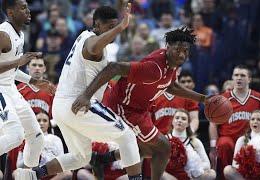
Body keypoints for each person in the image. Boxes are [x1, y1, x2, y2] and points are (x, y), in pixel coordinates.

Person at [18, 4, 142, 180]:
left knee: (80, 157)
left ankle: (32, 175)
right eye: (110, 27)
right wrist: (121, 26)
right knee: (127, 136)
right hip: (78, 104)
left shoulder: (83, 35)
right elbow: (93, 48)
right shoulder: (92, 41)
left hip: (61, 108)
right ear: (97, 25)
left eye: (116, 26)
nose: (114, 31)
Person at [73, 26, 209, 180]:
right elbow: (114, 67)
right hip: (123, 107)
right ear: (168, 47)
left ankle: (102, 159)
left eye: (185, 50)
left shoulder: (170, 64)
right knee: (164, 147)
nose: (182, 54)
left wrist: (203, 99)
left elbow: (170, 86)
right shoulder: (154, 67)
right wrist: (86, 95)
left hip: (139, 109)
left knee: (149, 150)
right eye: (178, 49)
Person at [0, 0, 55, 172]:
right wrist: (18, 61)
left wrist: (35, 82)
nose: (28, 10)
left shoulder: (21, 34)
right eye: (23, 8)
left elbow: (12, 69)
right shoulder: (3, 34)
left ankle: (29, 175)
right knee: (15, 135)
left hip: (10, 88)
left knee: (37, 136)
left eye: (27, 6)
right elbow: (14, 63)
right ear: (10, 13)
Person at [208, 65, 260, 179]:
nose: (239, 78)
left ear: (249, 79)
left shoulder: (259, 98)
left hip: (252, 140)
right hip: (229, 140)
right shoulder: (222, 100)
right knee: (224, 144)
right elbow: (213, 124)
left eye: (242, 75)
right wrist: (213, 147)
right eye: (236, 75)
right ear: (232, 78)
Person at [16, 111, 72, 180]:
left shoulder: (56, 139)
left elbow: (61, 162)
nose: (41, 123)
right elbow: (18, 165)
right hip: (33, 173)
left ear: (49, 124)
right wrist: (33, 153)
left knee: (67, 173)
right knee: (17, 173)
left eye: (45, 121)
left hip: (52, 174)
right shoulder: (27, 139)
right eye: (38, 120)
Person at [166, 109, 216, 180]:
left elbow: (207, 164)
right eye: (177, 118)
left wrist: (193, 168)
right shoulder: (165, 140)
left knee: (211, 174)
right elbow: (157, 163)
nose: (179, 120)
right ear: (172, 121)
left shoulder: (195, 142)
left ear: (188, 124)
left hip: (191, 175)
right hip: (171, 176)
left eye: (183, 119)